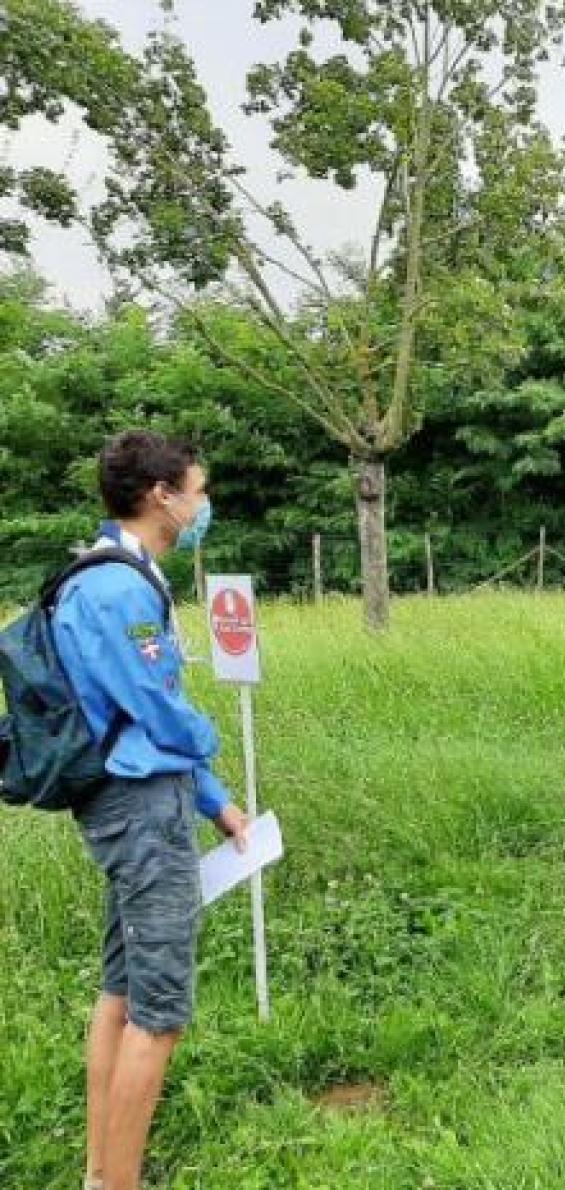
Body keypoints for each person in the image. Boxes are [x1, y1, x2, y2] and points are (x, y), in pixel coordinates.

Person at [52, 430, 250, 1190]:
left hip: (133, 800)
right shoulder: (118, 590)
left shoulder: (114, 576)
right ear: (161, 496)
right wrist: (207, 737)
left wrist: (215, 801)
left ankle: (103, 1171)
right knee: (159, 1011)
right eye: (197, 490)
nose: (203, 505)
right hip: (138, 811)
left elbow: (143, 719)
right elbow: (157, 710)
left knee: (123, 989)